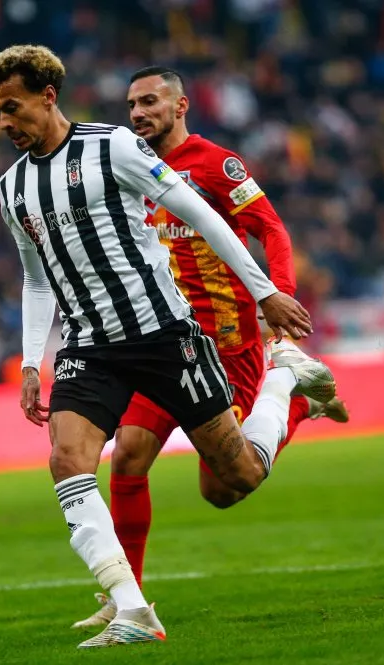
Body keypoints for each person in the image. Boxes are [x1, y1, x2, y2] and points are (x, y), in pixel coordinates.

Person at [0, 45, 333, 648]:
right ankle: (131, 607)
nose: (3, 122)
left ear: (47, 95)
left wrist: (267, 293)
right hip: (89, 346)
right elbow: (36, 279)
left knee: (235, 477)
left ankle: (284, 381)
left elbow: (205, 215)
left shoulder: (113, 147)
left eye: (11, 107)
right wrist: (33, 361)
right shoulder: (13, 187)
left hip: (165, 336)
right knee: (70, 460)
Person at [71, 65, 350, 630]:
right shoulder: (128, 168)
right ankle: (128, 600)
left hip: (227, 347)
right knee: (127, 456)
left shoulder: (217, 165)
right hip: (165, 343)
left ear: (181, 106)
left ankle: (293, 394)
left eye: (150, 102)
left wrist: (277, 296)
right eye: (131, 105)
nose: (138, 113)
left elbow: (272, 229)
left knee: (222, 489)